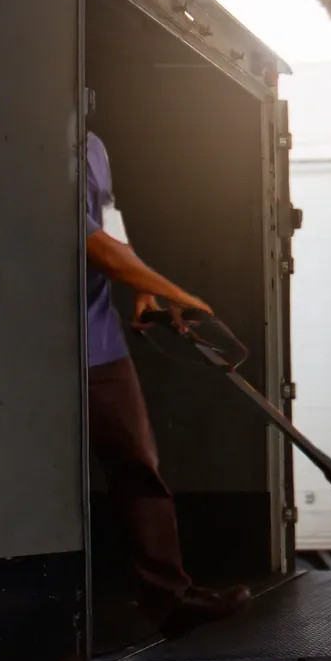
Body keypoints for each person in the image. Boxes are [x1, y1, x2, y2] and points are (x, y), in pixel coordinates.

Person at [84, 130, 250, 630]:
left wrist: (144, 291)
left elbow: (109, 221)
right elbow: (92, 245)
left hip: (99, 340)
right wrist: (176, 292)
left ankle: (169, 600)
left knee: (138, 464)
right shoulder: (39, 143)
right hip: (39, 348)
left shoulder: (92, 144)